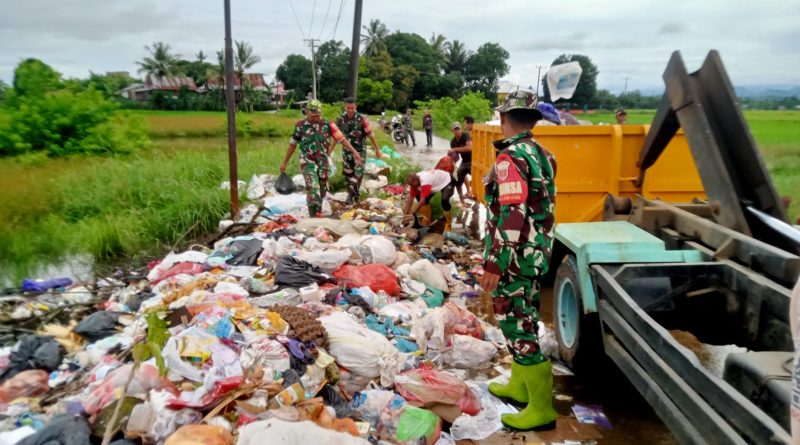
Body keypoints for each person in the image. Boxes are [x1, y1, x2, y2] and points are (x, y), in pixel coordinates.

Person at [480, 89, 558, 431]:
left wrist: (496, 262)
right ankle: (521, 386)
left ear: (503, 119)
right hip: (536, 252)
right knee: (523, 318)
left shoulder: (510, 158)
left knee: (515, 321)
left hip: (515, 257)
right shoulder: (544, 154)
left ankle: (541, 409)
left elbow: (513, 212)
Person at [280, 99, 363, 217]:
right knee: (313, 189)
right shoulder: (300, 126)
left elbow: (342, 140)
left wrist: (355, 153)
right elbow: (292, 145)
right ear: (307, 112)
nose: (316, 118)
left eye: (318, 115)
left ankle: (317, 215)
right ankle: (313, 218)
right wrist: (284, 163)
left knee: (322, 191)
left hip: (323, 163)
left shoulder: (328, 124)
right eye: (313, 115)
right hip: (307, 161)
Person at [333, 97, 381, 204]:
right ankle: (356, 195)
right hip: (346, 152)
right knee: (348, 175)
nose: (350, 110)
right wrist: (329, 151)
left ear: (356, 107)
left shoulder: (362, 118)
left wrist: (377, 149)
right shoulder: (340, 119)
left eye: (352, 108)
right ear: (345, 107)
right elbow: (335, 136)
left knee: (358, 173)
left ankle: (349, 196)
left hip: (360, 151)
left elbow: (371, 135)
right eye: (348, 108)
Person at [448, 122, 473, 206]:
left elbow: (470, 148)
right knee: (457, 179)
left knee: (479, 180)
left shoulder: (465, 136)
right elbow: (456, 156)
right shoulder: (453, 142)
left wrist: (455, 149)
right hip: (464, 162)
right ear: (452, 131)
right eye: (455, 130)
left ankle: (476, 194)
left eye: (458, 129)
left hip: (473, 161)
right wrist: (452, 163)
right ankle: (462, 201)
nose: (457, 131)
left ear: (461, 129)